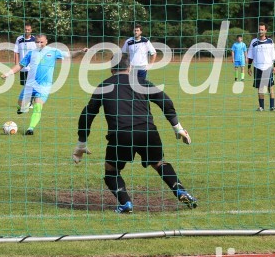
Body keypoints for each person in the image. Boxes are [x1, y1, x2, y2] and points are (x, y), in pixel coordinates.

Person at [73, 55, 196, 213]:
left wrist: (82, 142)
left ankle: (126, 203)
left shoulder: (103, 86)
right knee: (159, 163)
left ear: (111, 69)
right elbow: (165, 101)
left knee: (111, 170)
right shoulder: (141, 82)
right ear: (129, 67)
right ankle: (180, 191)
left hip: (121, 134)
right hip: (148, 131)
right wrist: (177, 127)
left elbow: (87, 114)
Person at [2, 34, 88, 135]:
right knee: (21, 105)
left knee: (38, 107)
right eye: (37, 42)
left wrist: (81, 51)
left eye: (41, 42)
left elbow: (69, 55)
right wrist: (8, 73)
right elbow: (20, 65)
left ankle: (30, 128)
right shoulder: (31, 53)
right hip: (30, 85)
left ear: (46, 41)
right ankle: (22, 107)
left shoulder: (53, 51)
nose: (39, 44)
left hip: (44, 86)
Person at [247, 23, 275, 111]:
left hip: (268, 67)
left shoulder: (270, 41)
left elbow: (273, 55)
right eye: (259, 29)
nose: (260, 31)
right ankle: (261, 107)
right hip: (257, 67)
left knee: (270, 87)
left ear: (265, 31)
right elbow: (250, 56)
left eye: (262, 29)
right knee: (260, 88)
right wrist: (249, 67)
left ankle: (272, 107)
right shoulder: (254, 42)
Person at [14, 22, 37, 90]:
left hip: (32, 68)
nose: (27, 31)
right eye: (25, 29)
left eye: (28, 30)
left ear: (31, 30)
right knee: (25, 87)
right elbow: (16, 52)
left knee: (32, 87)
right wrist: (16, 65)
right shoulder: (19, 39)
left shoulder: (35, 39)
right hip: (23, 67)